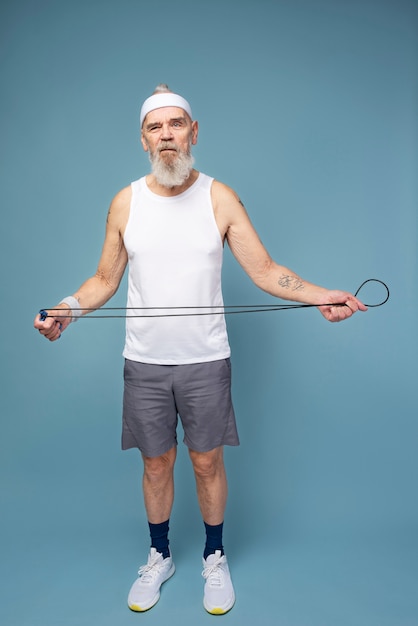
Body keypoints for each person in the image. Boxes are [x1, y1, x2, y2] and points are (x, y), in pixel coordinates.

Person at [34, 84, 367, 615]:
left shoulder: (219, 197)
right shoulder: (127, 202)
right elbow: (104, 277)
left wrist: (320, 295)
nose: (166, 135)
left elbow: (264, 270)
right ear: (142, 139)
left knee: (207, 463)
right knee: (156, 464)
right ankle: (159, 555)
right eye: (155, 127)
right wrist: (67, 309)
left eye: (176, 124)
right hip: (143, 364)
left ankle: (215, 557)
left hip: (206, 362)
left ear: (194, 132)